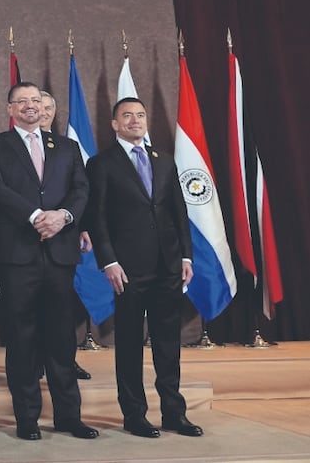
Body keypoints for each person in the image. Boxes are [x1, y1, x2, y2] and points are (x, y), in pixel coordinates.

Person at [0, 82, 97, 441]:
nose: (30, 106)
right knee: (22, 339)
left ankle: (68, 417)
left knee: (61, 339)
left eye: (35, 100)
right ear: (10, 109)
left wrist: (63, 216)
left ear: (45, 108)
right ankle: (27, 418)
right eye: (22, 101)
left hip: (60, 253)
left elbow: (81, 189)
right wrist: (34, 216)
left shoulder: (67, 147)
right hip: (17, 255)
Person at [84, 97, 202, 438]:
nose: (135, 120)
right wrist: (108, 261)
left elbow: (178, 212)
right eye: (127, 116)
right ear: (115, 124)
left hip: (168, 264)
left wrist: (186, 256)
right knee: (130, 345)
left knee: (168, 343)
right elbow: (97, 217)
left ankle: (174, 413)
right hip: (127, 269)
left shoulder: (163, 160)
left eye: (140, 115)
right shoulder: (101, 164)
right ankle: (134, 415)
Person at [39, 90, 92, 382]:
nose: (44, 112)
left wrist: (79, 225)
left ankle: (65, 363)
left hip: (63, 237)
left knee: (62, 308)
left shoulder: (68, 147)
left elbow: (80, 189)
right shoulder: (9, 147)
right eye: (39, 105)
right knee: (29, 309)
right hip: (26, 239)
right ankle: (34, 364)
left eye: (49, 107)